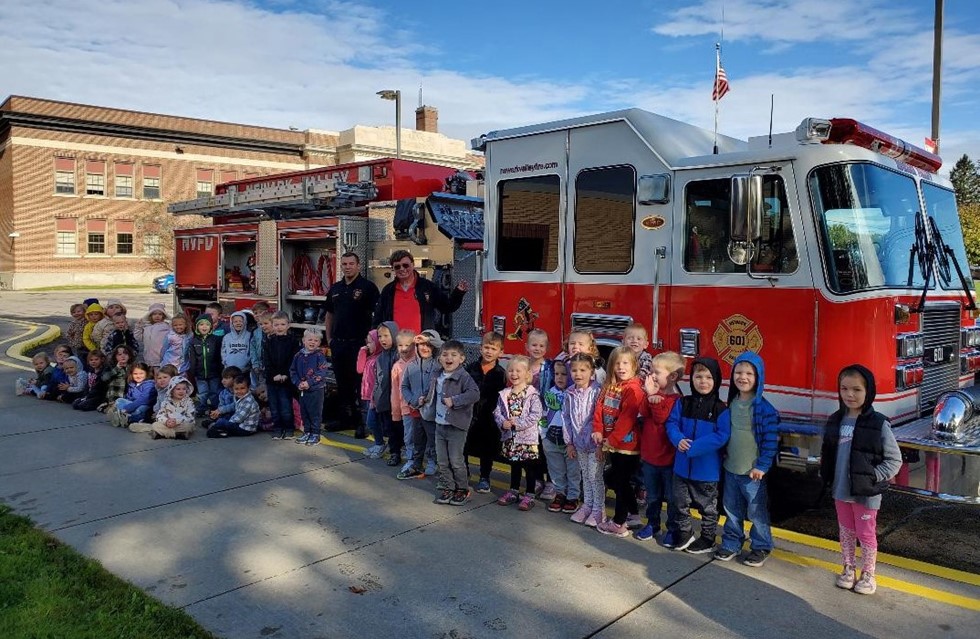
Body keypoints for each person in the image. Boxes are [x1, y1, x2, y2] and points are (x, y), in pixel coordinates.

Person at [822, 364, 902, 595]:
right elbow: (828, 453)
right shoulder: (836, 420)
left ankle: (868, 574)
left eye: (856, 389)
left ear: (869, 392)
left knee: (866, 534)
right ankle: (848, 569)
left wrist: (872, 477)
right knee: (846, 532)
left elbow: (894, 460)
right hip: (840, 491)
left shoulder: (879, 423)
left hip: (866, 494)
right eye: (844, 388)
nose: (849, 394)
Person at [714, 351, 780, 566]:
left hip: (753, 473)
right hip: (731, 468)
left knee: (756, 511)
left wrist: (762, 465)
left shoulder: (764, 408)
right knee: (731, 510)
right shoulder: (731, 403)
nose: (743, 377)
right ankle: (732, 543)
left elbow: (771, 441)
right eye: (739, 372)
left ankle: (761, 546)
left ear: (758, 377)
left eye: (749, 373)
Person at [665, 357, 731, 553]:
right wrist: (678, 440)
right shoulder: (683, 403)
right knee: (679, 502)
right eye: (698, 376)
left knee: (708, 508)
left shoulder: (721, 409)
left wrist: (694, 447)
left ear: (717, 380)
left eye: (709, 377)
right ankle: (684, 532)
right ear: (691, 379)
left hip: (707, 471)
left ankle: (708, 538)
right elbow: (671, 424)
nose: (703, 381)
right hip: (681, 467)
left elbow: (722, 436)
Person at [591, 347, 648, 538]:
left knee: (621, 482)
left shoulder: (633, 390)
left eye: (626, 363)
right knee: (619, 480)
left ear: (634, 366)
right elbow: (599, 409)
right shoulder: (609, 386)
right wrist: (598, 430)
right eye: (617, 363)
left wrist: (609, 441)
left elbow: (627, 421)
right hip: (612, 444)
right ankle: (633, 515)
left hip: (627, 447)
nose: (621, 367)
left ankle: (618, 523)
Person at [324, 252, 380, 431]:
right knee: (342, 384)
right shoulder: (336, 288)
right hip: (339, 343)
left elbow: (376, 316)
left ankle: (362, 423)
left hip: (359, 344)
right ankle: (344, 420)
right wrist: (329, 339)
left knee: (360, 384)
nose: (347, 267)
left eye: (351, 263)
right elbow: (329, 314)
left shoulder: (368, 287)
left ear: (358, 265)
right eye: (344, 264)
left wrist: (371, 341)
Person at [635, 352, 684, 542]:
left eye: (657, 372)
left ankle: (672, 529)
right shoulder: (654, 394)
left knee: (671, 498)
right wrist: (649, 396)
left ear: (672, 376)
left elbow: (661, 418)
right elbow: (643, 411)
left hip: (668, 459)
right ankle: (652, 524)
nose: (652, 375)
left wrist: (653, 395)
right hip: (650, 457)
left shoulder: (677, 400)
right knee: (653, 496)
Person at [428, 340, 480, 506]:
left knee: (456, 461)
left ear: (462, 358)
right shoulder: (437, 374)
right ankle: (448, 487)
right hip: (439, 424)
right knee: (442, 460)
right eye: (444, 355)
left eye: (453, 355)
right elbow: (432, 393)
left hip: (456, 425)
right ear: (439, 358)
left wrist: (455, 400)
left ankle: (462, 489)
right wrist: (425, 399)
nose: (448, 358)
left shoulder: (463, 377)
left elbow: (474, 394)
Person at [372, 249, 468, 335]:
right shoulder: (388, 290)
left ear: (413, 265)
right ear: (393, 269)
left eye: (405, 265)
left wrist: (458, 292)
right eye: (397, 267)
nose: (402, 269)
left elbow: (447, 307)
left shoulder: (427, 287)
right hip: (395, 345)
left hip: (421, 345)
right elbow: (378, 317)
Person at [494, 355, 544, 511]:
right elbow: (497, 411)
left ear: (527, 374)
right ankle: (513, 491)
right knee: (514, 466)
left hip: (527, 439)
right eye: (510, 370)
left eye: (518, 371)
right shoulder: (505, 393)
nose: (514, 374)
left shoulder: (532, 394)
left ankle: (529, 494)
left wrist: (518, 424)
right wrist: (503, 422)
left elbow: (536, 414)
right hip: (510, 438)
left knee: (529, 468)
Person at [562, 353, 603, 526]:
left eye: (583, 370)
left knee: (595, 477)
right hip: (579, 444)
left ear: (592, 371)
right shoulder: (569, 393)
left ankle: (598, 510)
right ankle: (587, 506)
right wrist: (569, 442)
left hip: (594, 444)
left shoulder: (598, 391)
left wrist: (601, 444)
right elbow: (566, 417)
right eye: (574, 370)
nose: (578, 374)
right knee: (585, 476)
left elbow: (600, 418)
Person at [464, 331, 507, 494]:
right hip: (470, 414)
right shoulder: (471, 368)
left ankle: (484, 477)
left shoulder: (501, 374)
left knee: (487, 448)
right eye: (486, 347)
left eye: (493, 349)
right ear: (480, 348)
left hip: (490, 417)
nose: (489, 351)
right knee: (464, 445)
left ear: (500, 352)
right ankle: (464, 472)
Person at [399, 329, 442, 479]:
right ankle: (416, 463)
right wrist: (412, 400)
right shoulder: (411, 366)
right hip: (416, 410)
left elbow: (444, 345)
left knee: (432, 438)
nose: (424, 348)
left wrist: (427, 338)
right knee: (417, 439)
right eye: (421, 344)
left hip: (431, 411)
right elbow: (404, 387)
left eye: (428, 345)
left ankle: (432, 461)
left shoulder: (439, 364)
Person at [542, 360, 578, 513]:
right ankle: (560, 494)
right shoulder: (549, 393)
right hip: (551, 438)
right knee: (556, 470)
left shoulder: (574, 395)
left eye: (564, 374)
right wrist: (543, 435)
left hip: (570, 441)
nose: (560, 377)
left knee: (573, 470)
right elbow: (544, 415)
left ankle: (573, 496)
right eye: (556, 374)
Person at [264, 311, 300, 440]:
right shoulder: (268, 341)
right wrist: (273, 374)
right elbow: (266, 360)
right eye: (276, 324)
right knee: (274, 406)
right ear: (272, 326)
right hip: (272, 380)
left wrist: (285, 374)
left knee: (286, 406)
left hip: (286, 380)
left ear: (288, 325)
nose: (279, 327)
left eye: (282, 324)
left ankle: (289, 428)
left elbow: (293, 360)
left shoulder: (293, 341)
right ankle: (277, 428)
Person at [290, 329, 329, 446]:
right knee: (304, 411)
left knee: (315, 412)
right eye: (310, 339)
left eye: (316, 340)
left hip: (316, 389)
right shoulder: (298, 355)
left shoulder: (319, 355)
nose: (312, 342)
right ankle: (307, 432)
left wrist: (309, 382)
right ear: (303, 340)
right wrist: (298, 383)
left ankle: (315, 434)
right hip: (302, 389)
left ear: (319, 343)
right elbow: (292, 371)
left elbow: (322, 372)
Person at [371, 321, 400, 462]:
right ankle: (394, 452)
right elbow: (378, 380)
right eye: (380, 336)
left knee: (399, 428)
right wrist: (375, 398)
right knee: (389, 428)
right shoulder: (380, 357)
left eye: (386, 336)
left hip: (398, 400)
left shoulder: (399, 355)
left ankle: (400, 452)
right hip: (384, 399)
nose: (382, 339)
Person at [389, 329, 417, 469]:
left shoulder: (418, 363)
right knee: (409, 436)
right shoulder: (396, 367)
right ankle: (411, 460)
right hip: (405, 408)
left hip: (419, 407)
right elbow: (395, 391)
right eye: (400, 345)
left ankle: (427, 460)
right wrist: (396, 411)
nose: (404, 348)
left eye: (408, 345)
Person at [187, 314, 223, 413]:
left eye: (207, 325)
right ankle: (202, 408)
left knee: (214, 392)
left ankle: (214, 408)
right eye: (201, 324)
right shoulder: (193, 341)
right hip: (200, 373)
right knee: (202, 392)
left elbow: (219, 356)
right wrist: (193, 372)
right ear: (197, 327)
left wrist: (220, 370)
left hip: (214, 372)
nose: (204, 327)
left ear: (211, 326)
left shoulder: (215, 339)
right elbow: (192, 358)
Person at [358, 330, 384, 453]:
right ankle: (378, 443)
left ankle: (380, 443)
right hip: (367, 396)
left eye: (370, 342)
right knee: (371, 422)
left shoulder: (379, 359)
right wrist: (362, 352)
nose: (367, 345)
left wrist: (375, 396)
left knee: (372, 421)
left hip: (375, 397)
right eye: (367, 342)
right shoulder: (370, 358)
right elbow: (359, 369)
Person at [110, 363, 157, 427]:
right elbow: (128, 398)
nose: (138, 376)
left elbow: (143, 400)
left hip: (145, 406)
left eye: (141, 373)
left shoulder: (149, 384)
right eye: (135, 374)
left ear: (146, 373)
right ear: (131, 374)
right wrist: (126, 406)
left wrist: (128, 408)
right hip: (132, 405)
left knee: (141, 409)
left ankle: (127, 418)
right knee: (119, 400)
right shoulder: (132, 384)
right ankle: (122, 416)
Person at [134, 303, 170, 371]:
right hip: (148, 359)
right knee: (150, 376)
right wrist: (138, 327)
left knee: (159, 375)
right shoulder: (147, 327)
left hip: (160, 359)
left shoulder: (166, 326)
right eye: (154, 314)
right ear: (150, 316)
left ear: (163, 316)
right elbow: (138, 337)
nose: (157, 316)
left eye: (160, 314)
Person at [102, 345, 135, 410]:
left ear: (129, 355)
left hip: (128, 396)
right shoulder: (111, 366)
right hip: (115, 396)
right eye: (119, 354)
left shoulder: (133, 367)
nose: (123, 356)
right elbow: (104, 378)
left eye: (125, 353)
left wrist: (129, 369)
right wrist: (116, 369)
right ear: (115, 357)